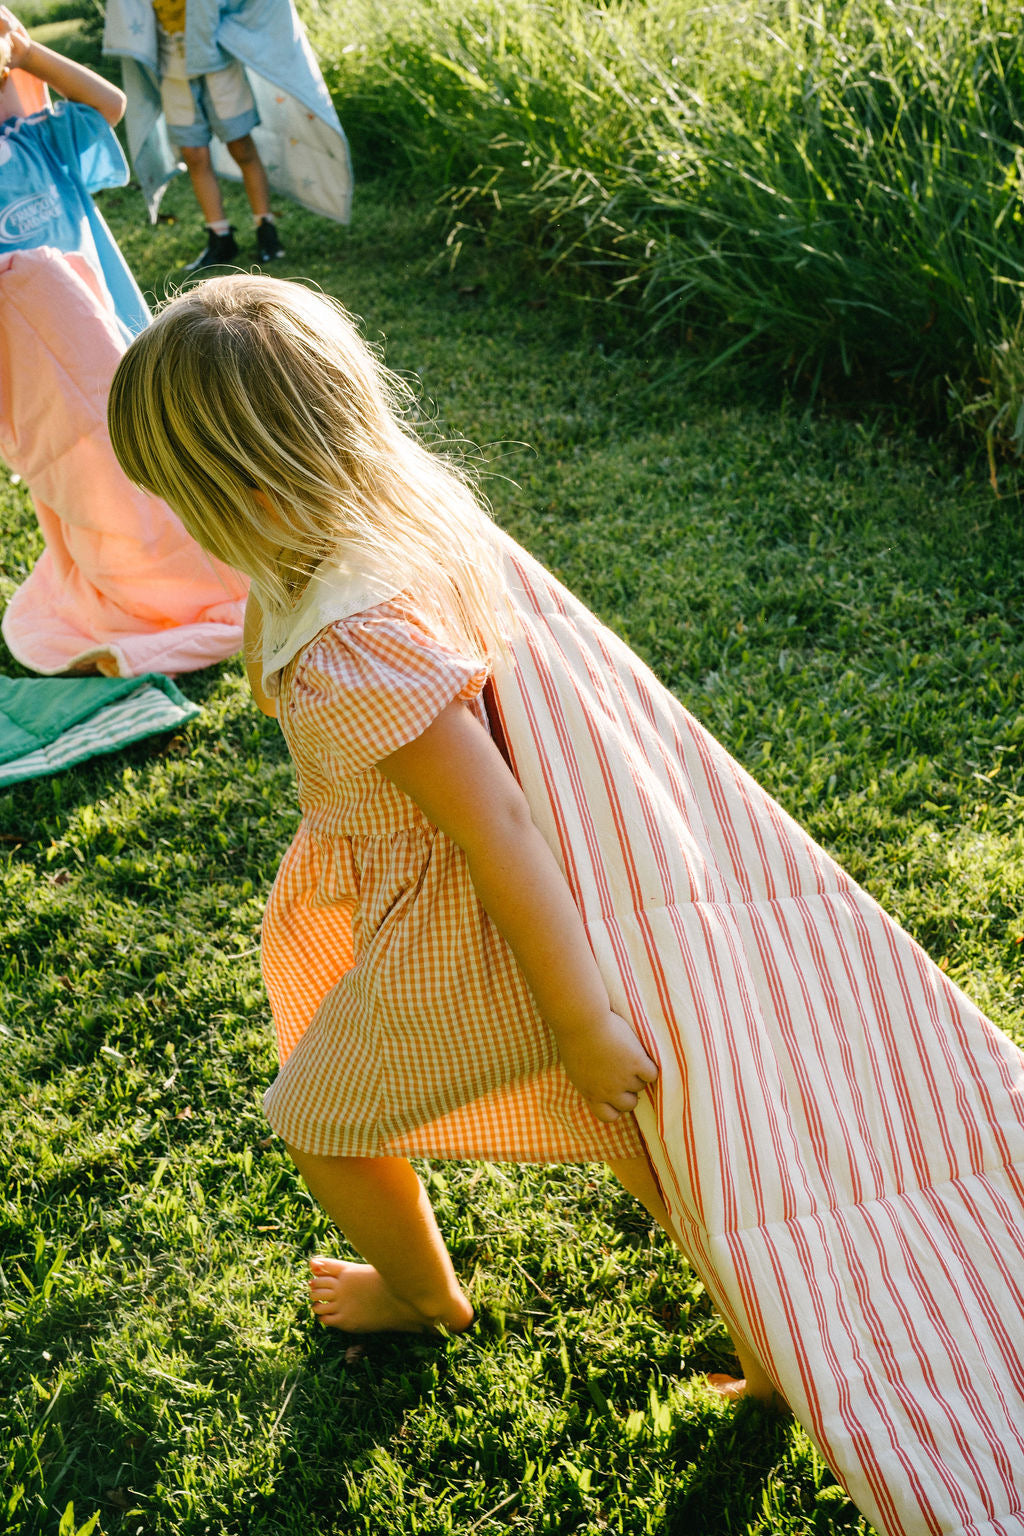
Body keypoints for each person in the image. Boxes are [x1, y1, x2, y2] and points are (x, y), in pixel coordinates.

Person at [107, 277, 1024, 1536]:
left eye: (183, 502)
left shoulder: (349, 645)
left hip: (463, 941)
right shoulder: (397, 526)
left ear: (247, 495)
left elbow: (503, 834)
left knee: (319, 1116)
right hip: (517, 916)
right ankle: (776, 1349)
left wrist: (579, 1013)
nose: (183, 525)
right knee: (671, 1160)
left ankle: (421, 1294)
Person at [102, 0, 353, 265]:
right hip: (172, 65)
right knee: (194, 154)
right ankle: (220, 237)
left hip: (217, 61)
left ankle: (265, 228)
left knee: (240, 145)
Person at [0, 4, 149, 336]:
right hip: (25, 357)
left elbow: (108, 104)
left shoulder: (35, 138)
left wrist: (26, 53)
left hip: (103, 336)